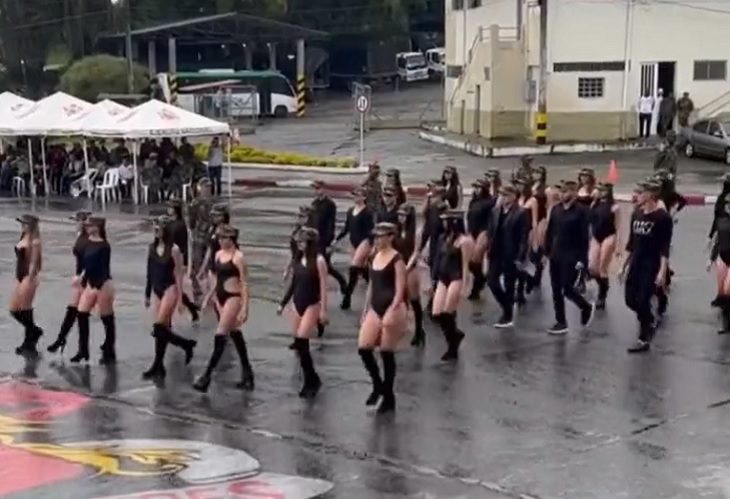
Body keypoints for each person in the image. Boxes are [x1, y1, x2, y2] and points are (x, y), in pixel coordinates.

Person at [193, 224, 254, 392]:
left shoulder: (238, 258)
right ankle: (247, 372)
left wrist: (245, 308)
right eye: (219, 238)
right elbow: (217, 279)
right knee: (234, 333)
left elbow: (245, 284)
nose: (220, 241)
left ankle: (207, 375)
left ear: (231, 239)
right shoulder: (219, 255)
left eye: (223, 238)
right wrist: (208, 297)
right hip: (220, 296)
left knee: (220, 334)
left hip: (233, 298)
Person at [358, 222, 407, 413]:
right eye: (376, 236)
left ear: (390, 237)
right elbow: (371, 285)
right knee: (364, 347)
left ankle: (389, 396)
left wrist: (392, 309)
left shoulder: (397, 259)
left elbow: (400, 289)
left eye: (381, 236)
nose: (377, 239)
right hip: (375, 306)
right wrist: (365, 309)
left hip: (391, 307)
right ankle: (377, 384)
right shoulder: (374, 256)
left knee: (386, 352)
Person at [142, 216, 197, 380]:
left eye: (159, 229)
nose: (156, 231)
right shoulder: (151, 248)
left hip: (170, 288)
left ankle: (183, 346)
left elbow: (178, 275)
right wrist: (147, 293)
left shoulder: (173, 249)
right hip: (157, 289)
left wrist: (180, 299)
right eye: (154, 229)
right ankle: (160, 364)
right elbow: (149, 272)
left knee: (159, 326)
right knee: (162, 330)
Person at [621, 180, 673, 353]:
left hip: (651, 264)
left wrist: (662, 271)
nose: (637, 195)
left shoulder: (662, 218)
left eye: (640, 192)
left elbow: (665, 247)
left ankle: (644, 338)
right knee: (630, 300)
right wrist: (624, 266)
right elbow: (631, 243)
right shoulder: (636, 214)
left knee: (643, 299)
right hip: (636, 262)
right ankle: (649, 319)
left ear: (650, 195)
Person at [544, 181, 596, 335]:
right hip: (556, 253)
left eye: (565, 191)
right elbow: (550, 231)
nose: (561, 194)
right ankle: (561, 321)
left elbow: (584, 238)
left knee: (567, 287)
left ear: (574, 193)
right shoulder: (556, 209)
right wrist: (546, 251)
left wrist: (582, 260)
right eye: (561, 191)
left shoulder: (581, 211)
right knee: (555, 289)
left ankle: (584, 306)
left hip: (572, 255)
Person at [286, 227, 327, 398]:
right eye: (298, 242)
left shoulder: (319, 261)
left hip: (312, 303)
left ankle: (310, 381)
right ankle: (311, 377)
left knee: (303, 339)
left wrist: (324, 310)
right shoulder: (297, 259)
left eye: (303, 242)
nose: (300, 245)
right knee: (300, 344)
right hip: (297, 303)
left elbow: (324, 286)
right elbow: (294, 282)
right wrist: (286, 303)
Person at [72, 217, 116, 364]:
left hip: (103, 283)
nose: (87, 228)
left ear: (97, 227)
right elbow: (82, 260)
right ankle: (83, 350)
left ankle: (110, 349)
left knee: (107, 318)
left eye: (90, 226)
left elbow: (99, 266)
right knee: (82, 314)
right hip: (91, 283)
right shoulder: (86, 242)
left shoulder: (104, 246)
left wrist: (83, 276)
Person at [48, 210, 90, 355]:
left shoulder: (86, 239)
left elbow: (90, 260)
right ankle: (62, 340)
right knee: (74, 311)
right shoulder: (80, 237)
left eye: (77, 222)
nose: (76, 225)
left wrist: (82, 276)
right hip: (80, 278)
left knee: (81, 313)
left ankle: (81, 347)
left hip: (86, 279)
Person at [432, 210, 472, 360]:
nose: (443, 223)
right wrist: (434, 278)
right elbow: (437, 258)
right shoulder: (444, 238)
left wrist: (465, 286)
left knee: (447, 312)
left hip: (456, 277)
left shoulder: (464, 241)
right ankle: (455, 334)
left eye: (446, 220)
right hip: (443, 277)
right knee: (436, 313)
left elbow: (465, 265)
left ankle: (452, 346)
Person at [486, 185, 528, 328]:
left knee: (510, 285)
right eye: (500, 194)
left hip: (511, 253)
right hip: (496, 252)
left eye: (505, 195)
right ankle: (506, 306)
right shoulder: (495, 211)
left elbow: (523, 237)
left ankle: (508, 316)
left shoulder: (521, 213)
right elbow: (491, 231)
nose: (502, 197)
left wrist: (520, 256)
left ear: (513, 196)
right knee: (492, 281)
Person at [335, 187, 374, 310]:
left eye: (358, 195)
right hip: (353, 242)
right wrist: (337, 238)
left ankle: (347, 297)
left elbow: (371, 230)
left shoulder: (368, 212)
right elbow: (347, 227)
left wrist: (372, 245)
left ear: (364, 197)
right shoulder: (350, 210)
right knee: (361, 269)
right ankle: (374, 284)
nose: (355, 197)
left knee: (354, 267)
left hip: (364, 241)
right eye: (354, 195)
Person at [10, 214, 43, 357]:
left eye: (25, 223)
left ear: (31, 225)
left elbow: (35, 262)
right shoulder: (24, 236)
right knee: (14, 310)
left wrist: (29, 278)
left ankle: (29, 343)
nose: (22, 225)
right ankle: (34, 332)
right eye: (22, 223)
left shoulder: (35, 241)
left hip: (28, 277)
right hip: (20, 276)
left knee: (25, 310)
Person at [310, 180, 348, 298]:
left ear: (324, 189)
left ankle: (342, 282)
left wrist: (329, 242)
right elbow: (311, 220)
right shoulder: (315, 203)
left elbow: (331, 224)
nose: (317, 191)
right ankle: (316, 290)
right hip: (314, 239)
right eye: (315, 189)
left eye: (318, 188)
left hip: (324, 240)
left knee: (325, 266)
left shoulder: (330, 204)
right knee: (319, 266)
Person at [588, 183, 621, 310]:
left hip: (609, 236)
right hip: (596, 236)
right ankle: (601, 284)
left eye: (604, 190)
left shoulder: (614, 207)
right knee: (592, 267)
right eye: (600, 190)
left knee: (602, 267)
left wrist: (618, 246)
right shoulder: (594, 204)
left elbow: (618, 227)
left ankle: (602, 296)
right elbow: (590, 222)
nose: (601, 192)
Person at [166, 199, 200, 322]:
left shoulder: (180, 225)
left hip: (178, 258)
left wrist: (185, 263)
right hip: (167, 257)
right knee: (173, 286)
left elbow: (184, 245)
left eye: (170, 207)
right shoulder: (169, 223)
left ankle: (188, 308)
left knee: (175, 286)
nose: (168, 209)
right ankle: (191, 308)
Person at [396, 204, 423, 346]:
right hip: (398, 265)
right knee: (400, 297)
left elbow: (416, 251)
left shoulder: (416, 232)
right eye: (399, 215)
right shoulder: (396, 230)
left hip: (410, 266)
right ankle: (401, 325)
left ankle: (419, 330)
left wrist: (407, 266)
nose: (400, 218)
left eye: (403, 215)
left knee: (414, 299)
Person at [189, 178, 214, 305]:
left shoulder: (213, 204)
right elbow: (191, 223)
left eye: (209, 187)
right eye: (205, 187)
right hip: (199, 238)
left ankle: (208, 291)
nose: (207, 189)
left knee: (210, 265)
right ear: (200, 188)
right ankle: (197, 290)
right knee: (197, 264)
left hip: (210, 238)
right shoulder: (195, 204)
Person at [466, 178, 492, 301]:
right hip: (472, 232)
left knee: (476, 261)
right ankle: (480, 281)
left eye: (478, 187)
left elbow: (491, 219)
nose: (475, 189)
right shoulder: (473, 201)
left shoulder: (490, 202)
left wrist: (486, 233)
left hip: (483, 232)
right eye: (475, 187)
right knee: (472, 263)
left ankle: (476, 288)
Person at [709, 196, 730, 333]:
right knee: (722, 292)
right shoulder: (721, 221)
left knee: (728, 289)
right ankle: (726, 322)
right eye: (728, 205)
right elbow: (718, 241)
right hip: (722, 257)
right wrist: (711, 259)